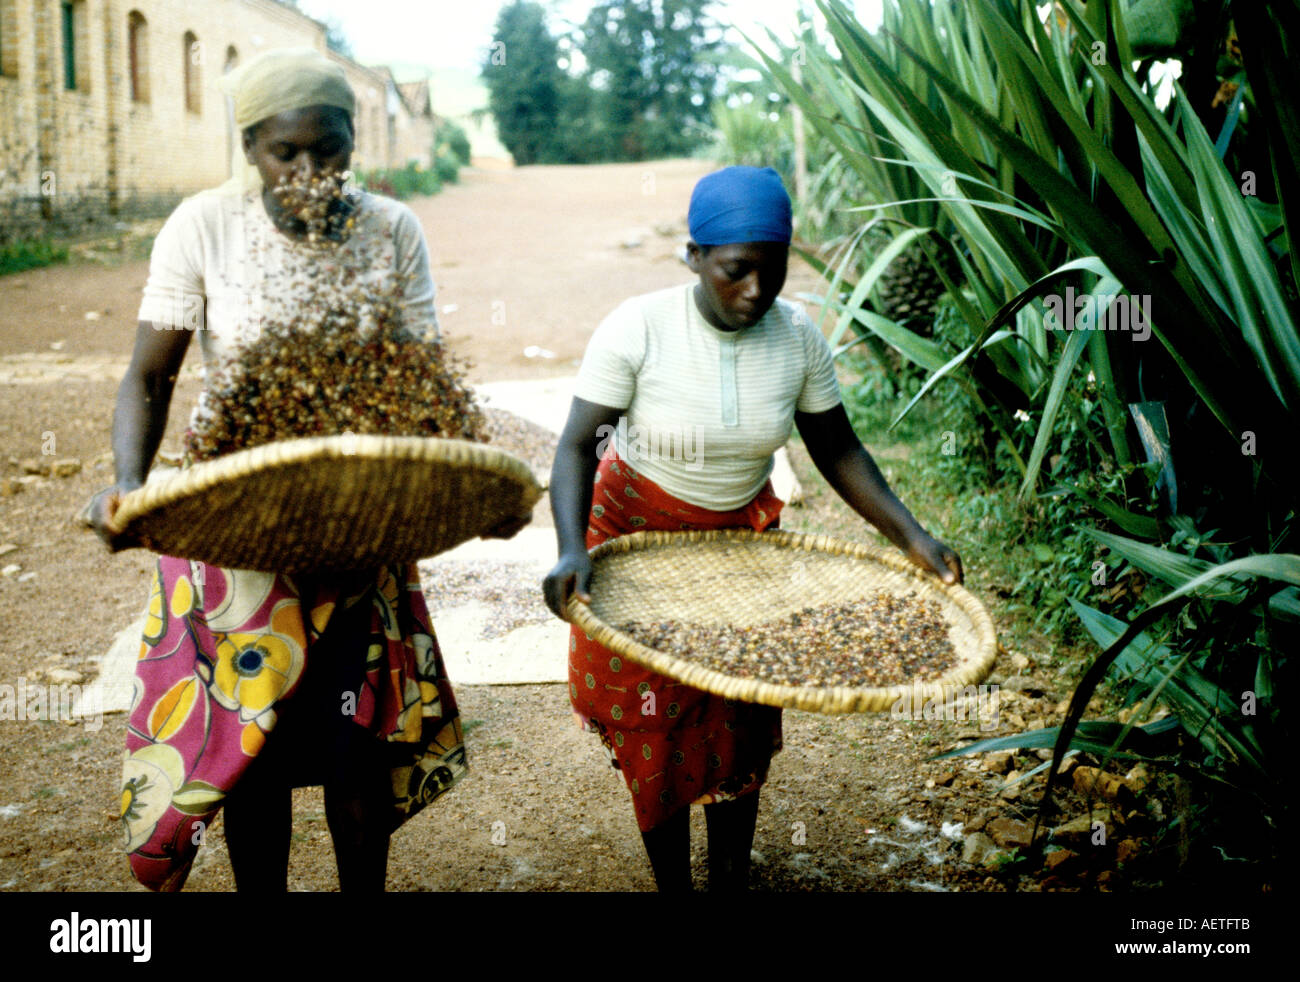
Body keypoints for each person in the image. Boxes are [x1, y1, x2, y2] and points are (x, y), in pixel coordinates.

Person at [87, 48, 477, 892]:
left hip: (355, 512)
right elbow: (149, 376)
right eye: (284, 153)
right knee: (251, 749)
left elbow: (421, 378)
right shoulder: (205, 225)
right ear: (250, 147)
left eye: (329, 150)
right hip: (237, 518)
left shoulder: (391, 230)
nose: (310, 173)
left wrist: (451, 483)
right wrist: (130, 481)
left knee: (357, 743)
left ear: (353, 141)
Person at [542, 165, 963, 892]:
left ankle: (731, 876)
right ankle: (674, 881)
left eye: (774, 272)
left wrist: (912, 537)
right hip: (636, 528)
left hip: (739, 543)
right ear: (695, 257)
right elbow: (579, 443)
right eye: (736, 271)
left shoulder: (796, 338)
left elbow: (837, 448)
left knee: (738, 708)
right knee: (659, 726)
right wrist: (572, 546)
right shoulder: (639, 328)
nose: (756, 292)